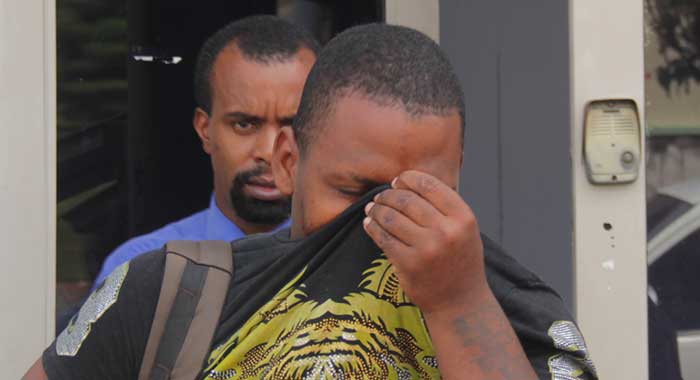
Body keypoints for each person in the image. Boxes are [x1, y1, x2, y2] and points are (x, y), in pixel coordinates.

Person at [25, 23, 598, 380]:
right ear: (291, 163)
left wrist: (460, 304)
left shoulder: (510, 308)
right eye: (353, 191)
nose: (383, 221)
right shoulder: (168, 293)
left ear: (459, 173)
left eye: (422, 194)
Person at [91, 15, 319, 287]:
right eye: (244, 124)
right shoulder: (139, 271)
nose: (269, 151)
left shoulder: (358, 264)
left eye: (292, 125)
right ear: (204, 130)